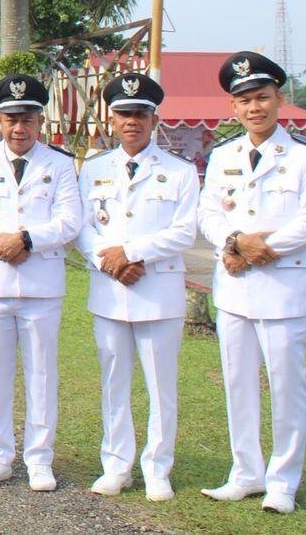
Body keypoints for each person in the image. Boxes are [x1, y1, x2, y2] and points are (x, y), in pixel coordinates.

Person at [197, 51, 306, 515]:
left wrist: (257, 248)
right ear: (233, 107)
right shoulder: (223, 155)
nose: (255, 108)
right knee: (238, 384)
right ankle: (246, 473)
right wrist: (235, 241)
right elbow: (208, 213)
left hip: (282, 287)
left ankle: (283, 482)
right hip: (235, 287)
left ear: (279, 99)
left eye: (262, 97)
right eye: (245, 100)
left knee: (287, 387)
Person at [74, 73, 198, 502]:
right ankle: (116, 465)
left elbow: (185, 231)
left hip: (157, 291)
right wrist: (108, 261)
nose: (132, 121)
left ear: (154, 119)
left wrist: (130, 253)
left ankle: (158, 468)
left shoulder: (180, 171)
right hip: (110, 290)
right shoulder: (93, 169)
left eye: (141, 114)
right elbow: (82, 228)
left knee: (161, 386)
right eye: (124, 113)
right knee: (114, 382)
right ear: (111, 119)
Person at [0, 73, 80, 492]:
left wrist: (27, 239)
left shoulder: (60, 164)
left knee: (42, 374)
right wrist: (3, 245)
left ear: (40, 121)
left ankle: (39, 459)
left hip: (42, 286)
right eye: (11, 119)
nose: (19, 128)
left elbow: (70, 221)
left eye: (27, 119)